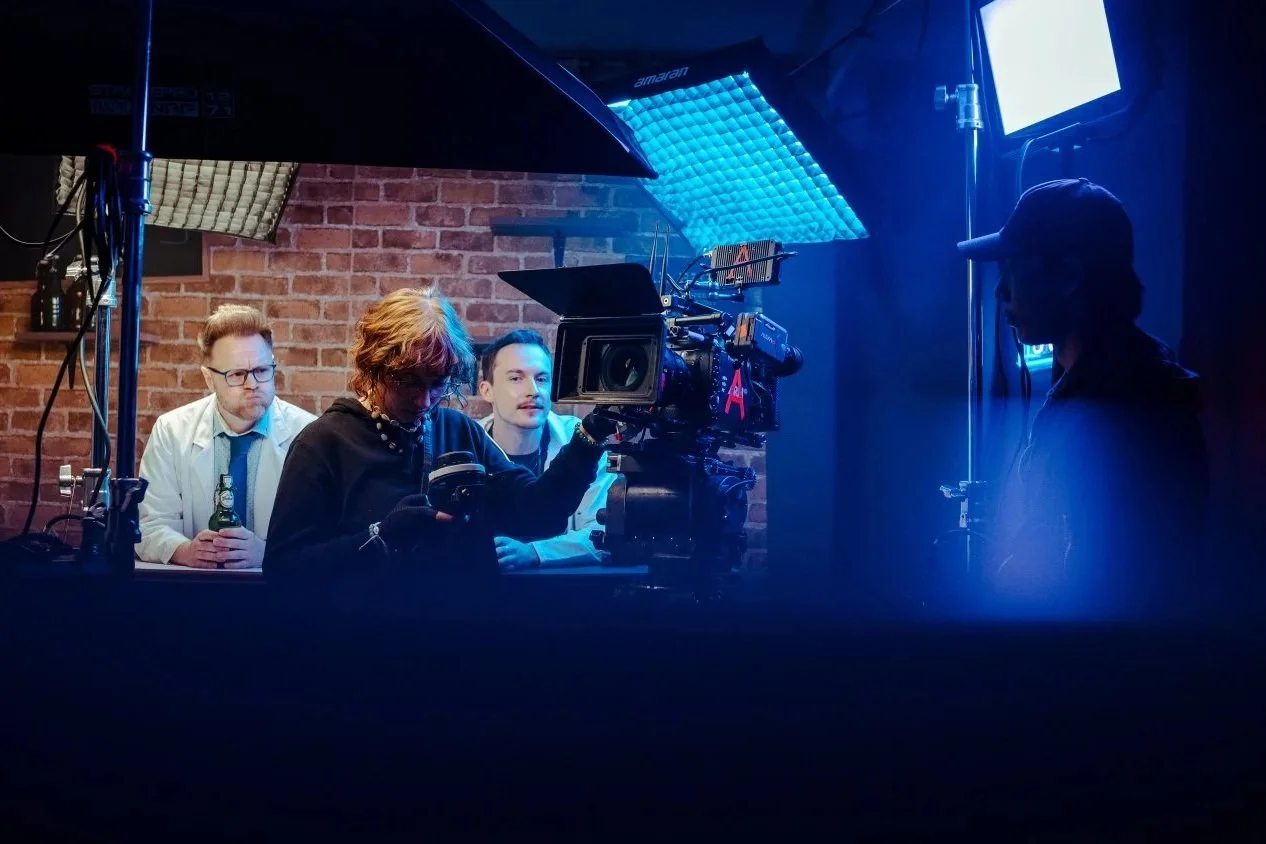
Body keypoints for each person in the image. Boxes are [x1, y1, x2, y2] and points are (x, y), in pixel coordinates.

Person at [959, 178, 1209, 617]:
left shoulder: (1128, 411)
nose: (1000, 292)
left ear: (1069, 276)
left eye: (1013, 268)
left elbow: (1108, 591)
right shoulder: (1105, 382)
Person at [262, 287, 617, 582]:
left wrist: (590, 436)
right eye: (408, 383)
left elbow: (539, 511)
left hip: (461, 644)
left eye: (438, 385)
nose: (424, 400)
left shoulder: (457, 430)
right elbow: (284, 569)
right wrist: (381, 536)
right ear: (374, 367)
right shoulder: (323, 442)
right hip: (365, 647)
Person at [136, 304, 317, 568]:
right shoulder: (172, 430)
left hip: (278, 594)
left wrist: (268, 553)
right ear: (208, 378)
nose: (252, 384)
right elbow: (150, 524)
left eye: (262, 371)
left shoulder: (309, 433)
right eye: (237, 374)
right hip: (194, 591)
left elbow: (323, 535)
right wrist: (185, 550)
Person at [476, 329, 616, 570]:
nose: (533, 390)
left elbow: (603, 530)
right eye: (516, 378)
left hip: (567, 593)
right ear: (486, 390)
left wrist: (535, 552)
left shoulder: (585, 442)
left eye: (541, 379)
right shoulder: (466, 441)